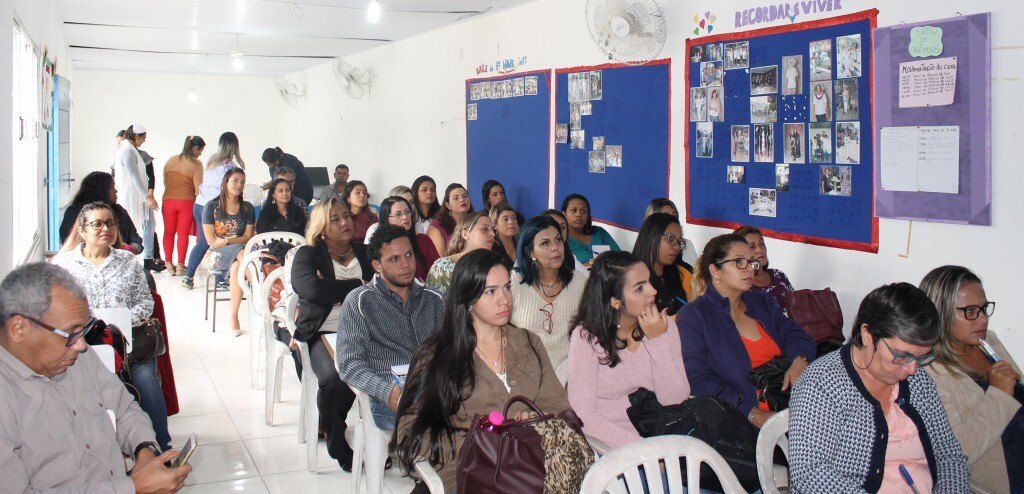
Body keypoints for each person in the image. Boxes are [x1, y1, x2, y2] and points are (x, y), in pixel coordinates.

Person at [0, 262, 192, 493]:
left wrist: (144, 451)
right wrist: (132, 488)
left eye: (83, 330)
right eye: (70, 333)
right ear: (19, 329)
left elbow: (124, 409)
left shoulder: (75, 357)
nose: (82, 345)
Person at [391, 249, 571, 492]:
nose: (504, 300)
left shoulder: (528, 343)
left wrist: (535, 422)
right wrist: (479, 442)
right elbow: (409, 429)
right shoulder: (437, 355)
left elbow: (557, 403)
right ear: (467, 298)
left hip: (532, 469)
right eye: (491, 292)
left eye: (507, 288)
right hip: (468, 475)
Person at [789, 282, 969, 493]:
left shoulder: (919, 382)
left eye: (922, 357)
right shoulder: (823, 384)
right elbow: (809, 474)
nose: (912, 369)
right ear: (868, 335)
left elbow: (949, 455)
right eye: (902, 356)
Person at [53, 202, 171, 450]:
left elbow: (145, 302)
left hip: (128, 345)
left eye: (110, 223)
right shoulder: (64, 265)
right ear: (82, 230)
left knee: (146, 380)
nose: (105, 228)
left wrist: (119, 322)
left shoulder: (127, 260)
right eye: (97, 224)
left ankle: (161, 446)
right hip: (82, 345)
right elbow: (53, 309)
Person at [678, 234, 814, 428]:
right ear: (715, 270)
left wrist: (800, 359)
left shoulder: (763, 302)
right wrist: (750, 413)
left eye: (751, 262)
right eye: (739, 262)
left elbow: (796, 335)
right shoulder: (694, 316)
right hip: (737, 420)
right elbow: (697, 380)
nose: (750, 268)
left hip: (786, 405)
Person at [568, 251, 689, 448]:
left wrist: (657, 341)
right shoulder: (586, 339)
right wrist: (644, 450)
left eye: (649, 282)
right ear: (615, 301)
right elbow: (584, 416)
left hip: (665, 435)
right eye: (639, 288)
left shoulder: (663, 326)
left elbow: (675, 400)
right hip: (612, 446)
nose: (653, 291)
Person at [920, 266, 1023, 493]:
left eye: (984, 309)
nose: (983, 319)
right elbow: (957, 452)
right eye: (970, 311)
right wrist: (999, 395)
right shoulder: (929, 373)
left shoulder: (989, 343)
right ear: (941, 313)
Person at [291, 198, 374, 472]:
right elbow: (312, 290)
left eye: (346, 216)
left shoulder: (365, 252)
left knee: (392, 371)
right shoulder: (308, 254)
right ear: (321, 227)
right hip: (322, 330)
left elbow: (381, 287)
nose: (344, 223)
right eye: (335, 219)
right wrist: (359, 284)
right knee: (334, 378)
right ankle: (338, 444)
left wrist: (332, 287)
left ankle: (381, 440)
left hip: (365, 330)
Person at [336, 224, 445, 431]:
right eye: (394, 259)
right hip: (388, 399)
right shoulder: (360, 302)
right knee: (438, 421)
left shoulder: (435, 299)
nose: (406, 264)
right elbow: (349, 364)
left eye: (409, 255)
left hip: (436, 390)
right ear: (377, 265)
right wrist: (387, 392)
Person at [510, 215, 587, 375]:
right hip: (524, 374)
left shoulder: (579, 282)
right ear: (530, 251)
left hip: (568, 374)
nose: (555, 248)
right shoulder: (514, 283)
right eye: (545, 243)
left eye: (558, 240)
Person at [182, 131, 245, 290]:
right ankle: (217, 279)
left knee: (205, 242)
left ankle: (190, 277)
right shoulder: (231, 168)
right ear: (234, 146)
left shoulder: (212, 161)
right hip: (211, 208)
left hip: (199, 204)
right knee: (217, 241)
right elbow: (230, 191)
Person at [201, 167, 255, 336]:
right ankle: (259, 290)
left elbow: (248, 237)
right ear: (225, 182)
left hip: (240, 254)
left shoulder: (247, 208)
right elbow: (211, 240)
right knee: (241, 252)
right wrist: (230, 243)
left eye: (242, 182)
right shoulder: (211, 207)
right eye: (235, 181)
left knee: (237, 267)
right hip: (216, 255)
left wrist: (226, 240)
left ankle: (233, 317)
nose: (239, 185)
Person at [113, 124, 164, 272]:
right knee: (138, 226)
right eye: (143, 137)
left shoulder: (130, 149)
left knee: (149, 225)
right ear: (136, 136)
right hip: (134, 196)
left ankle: (148, 258)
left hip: (139, 195)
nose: (144, 140)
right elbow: (133, 176)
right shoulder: (127, 151)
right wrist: (147, 196)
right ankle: (140, 259)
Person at [59, 171, 144, 254]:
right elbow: (68, 241)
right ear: (102, 190)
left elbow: (137, 241)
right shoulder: (75, 212)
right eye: (113, 187)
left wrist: (128, 250)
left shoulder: (119, 211)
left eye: (111, 224)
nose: (116, 191)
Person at [633, 213, 692, 316]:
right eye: (671, 239)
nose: (677, 247)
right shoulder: (631, 279)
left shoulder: (682, 275)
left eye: (679, 242)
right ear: (652, 237)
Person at [161, 135, 205, 276]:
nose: (200, 153)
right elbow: (198, 189)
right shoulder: (196, 164)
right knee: (183, 233)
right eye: (200, 150)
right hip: (186, 202)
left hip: (168, 200)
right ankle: (180, 265)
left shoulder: (171, 160)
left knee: (168, 232)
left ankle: (168, 263)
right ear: (195, 148)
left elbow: (165, 181)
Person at [369, 195, 439, 281]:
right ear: (386, 218)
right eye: (398, 214)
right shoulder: (381, 246)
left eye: (407, 212)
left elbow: (438, 270)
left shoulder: (423, 240)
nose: (405, 217)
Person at [426, 212, 495, 297]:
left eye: (493, 230)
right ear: (465, 234)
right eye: (485, 229)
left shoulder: (494, 265)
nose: (492, 234)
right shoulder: (443, 267)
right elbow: (435, 303)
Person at [733, 226, 795, 310]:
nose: (759, 250)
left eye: (761, 243)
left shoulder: (778, 275)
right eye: (752, 247)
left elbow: (797, 308)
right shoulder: (740, 286)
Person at [561, 193, 620, 267]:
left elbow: (619, 257)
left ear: (587, 215)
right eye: (574, 210)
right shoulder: (561, 239)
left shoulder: (599, 232)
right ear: (564, 214)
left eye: (583, 211)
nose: (578, 214)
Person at [643, 198, 698, 270]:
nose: (671, 221)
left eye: (674, 216)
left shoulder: (687, 244)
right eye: (665, 217)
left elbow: (696, 273)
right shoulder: (638, 267)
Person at [427, 183, 473, 257]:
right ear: (448, 205)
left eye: (465, 196)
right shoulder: (437, 227)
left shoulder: (477, 222)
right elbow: (440, 261)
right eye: (456, 198)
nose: (462, 200)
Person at [489, 202, 519, 270]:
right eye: (506, 219)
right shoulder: (491, 248)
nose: (511, 222)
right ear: (495, 224)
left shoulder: (522, 243)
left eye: (514, 218)